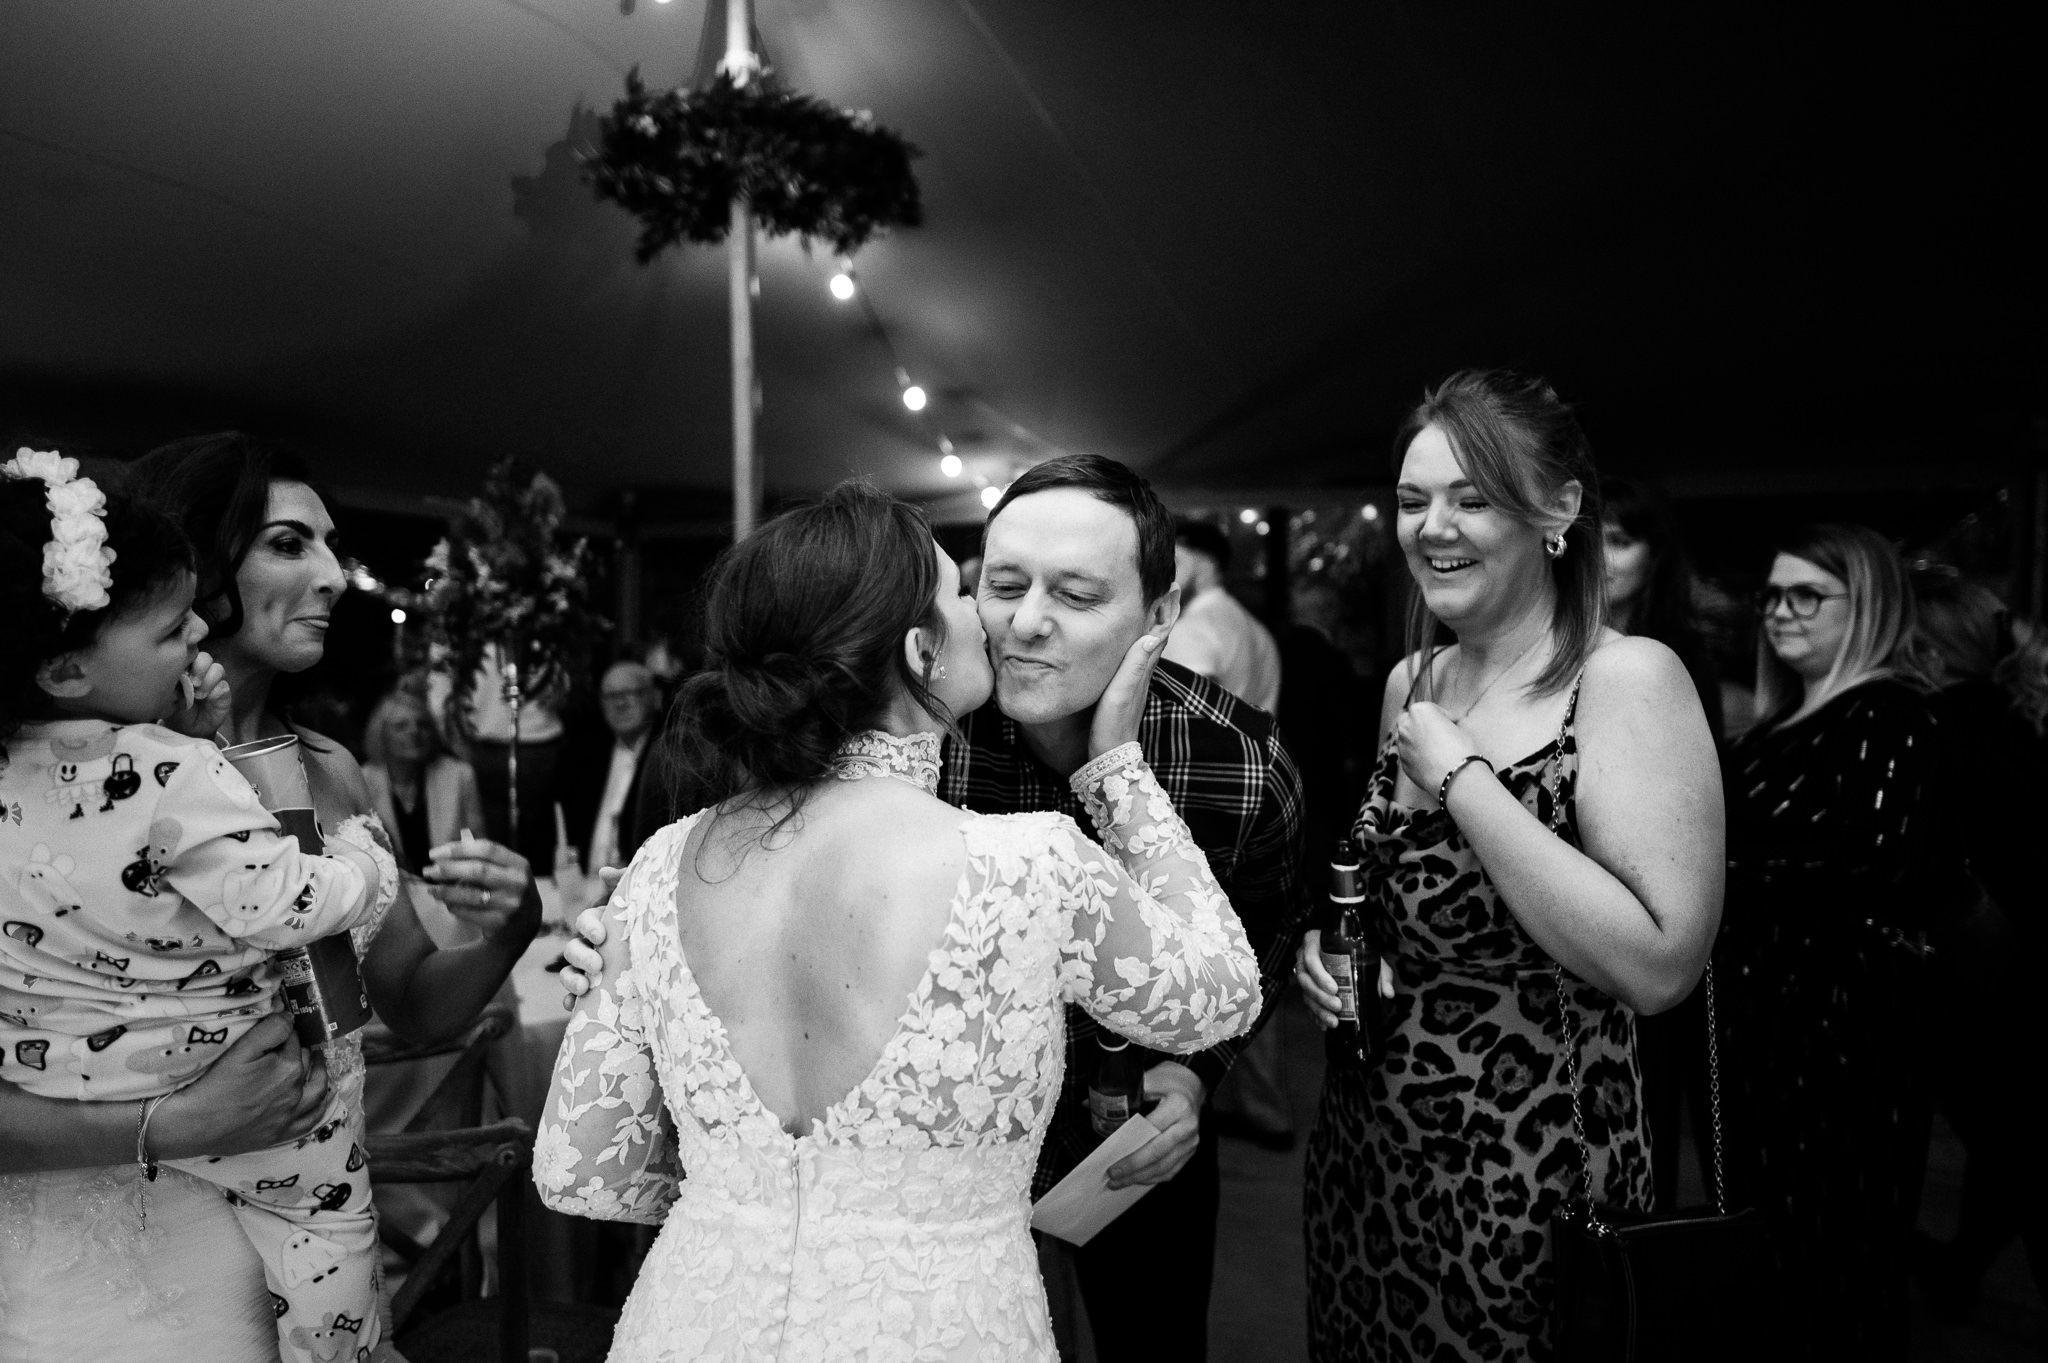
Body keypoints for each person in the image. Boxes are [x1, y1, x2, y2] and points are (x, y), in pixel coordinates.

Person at [534, 482, 1262, 1361]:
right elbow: (1222, 994)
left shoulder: (659, 864)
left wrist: (746, 1197)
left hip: (695, 1316)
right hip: (941, 1327)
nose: (990, 620)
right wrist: (1116, 768)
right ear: (921, 650)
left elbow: (585, 1169)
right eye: (965, 592)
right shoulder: (1026, 862)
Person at [0, 430, 540, 1363]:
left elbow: (408, 1003)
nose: (333, 575)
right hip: (119, 1261)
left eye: (332, 545)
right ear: (196, 565)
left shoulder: (330, 772)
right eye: (292, 543)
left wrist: (508, 931)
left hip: (309, 1229)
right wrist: (172, 1122)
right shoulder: (41, 785)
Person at [1294, 370, 1723, 1361]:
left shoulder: (1624, 680)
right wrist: (1345, 959)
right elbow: (1406, 891)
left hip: (1529, 1189)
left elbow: (1661, 966)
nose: (1429, 527)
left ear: (1558, 509)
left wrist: (1466, 782)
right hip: (1368, 1162)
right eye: (1411, 500)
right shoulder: (1415, 679)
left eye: (1469, 497)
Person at [1714, 523, 1967, 1361]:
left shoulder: (1889, 711)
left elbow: (1876, 861)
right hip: (1769, 1032)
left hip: (1845, 1040)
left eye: (1805, 596)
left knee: (1840, 1256)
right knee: (1774, 1250)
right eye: (1772, 596)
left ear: (1869, 605)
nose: (1780, 614)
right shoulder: (1777, 722)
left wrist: (1718, 869)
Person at [1902, 568, 2048, 1320]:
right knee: (2011, 1147)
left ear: (1922, 649)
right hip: (2022, 978)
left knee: (2014, 1150)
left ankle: (1953, 1263)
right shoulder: (2019, 717)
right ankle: (1959, 1262)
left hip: (1984, 984)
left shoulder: (1930, 731)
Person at [362, 689, 487, 876]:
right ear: (381, 736)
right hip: (391, 895)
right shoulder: (362, 780)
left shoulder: (459, 775)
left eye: (423, 725)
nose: (414, 732)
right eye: (401, 726)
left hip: (449, 888)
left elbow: (478, 844)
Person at [1162, 518, 1282, 712]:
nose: (1166, 575)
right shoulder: (1258, 630)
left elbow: (1191, 721)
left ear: (1206, 566)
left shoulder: (1192, 629)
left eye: (1176, 563)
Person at [557, 660, 662, 882]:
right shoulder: (584, 756)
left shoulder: (669, 755)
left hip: (641, 885)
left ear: (654, 697)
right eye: (610, 696)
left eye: (631, 693)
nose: (620, 703)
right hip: (585, 884)